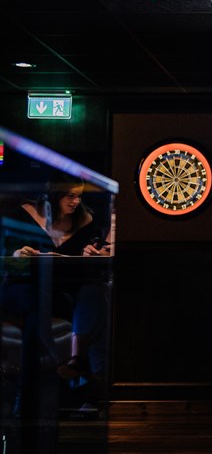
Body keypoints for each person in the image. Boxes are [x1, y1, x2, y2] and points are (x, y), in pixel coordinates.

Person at [9, 170, 112, 397]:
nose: (76, 202)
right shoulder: (25, 214)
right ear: (54, 195)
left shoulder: (86, 220)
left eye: (80, 196)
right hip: (28, 286)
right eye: (70, 196)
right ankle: (62, 369)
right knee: (36, 301)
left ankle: (77, 361)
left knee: (95, 292)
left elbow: (91, 267)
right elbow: (7, 257)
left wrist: (91, 255)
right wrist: (18, 254)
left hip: (65, 290)